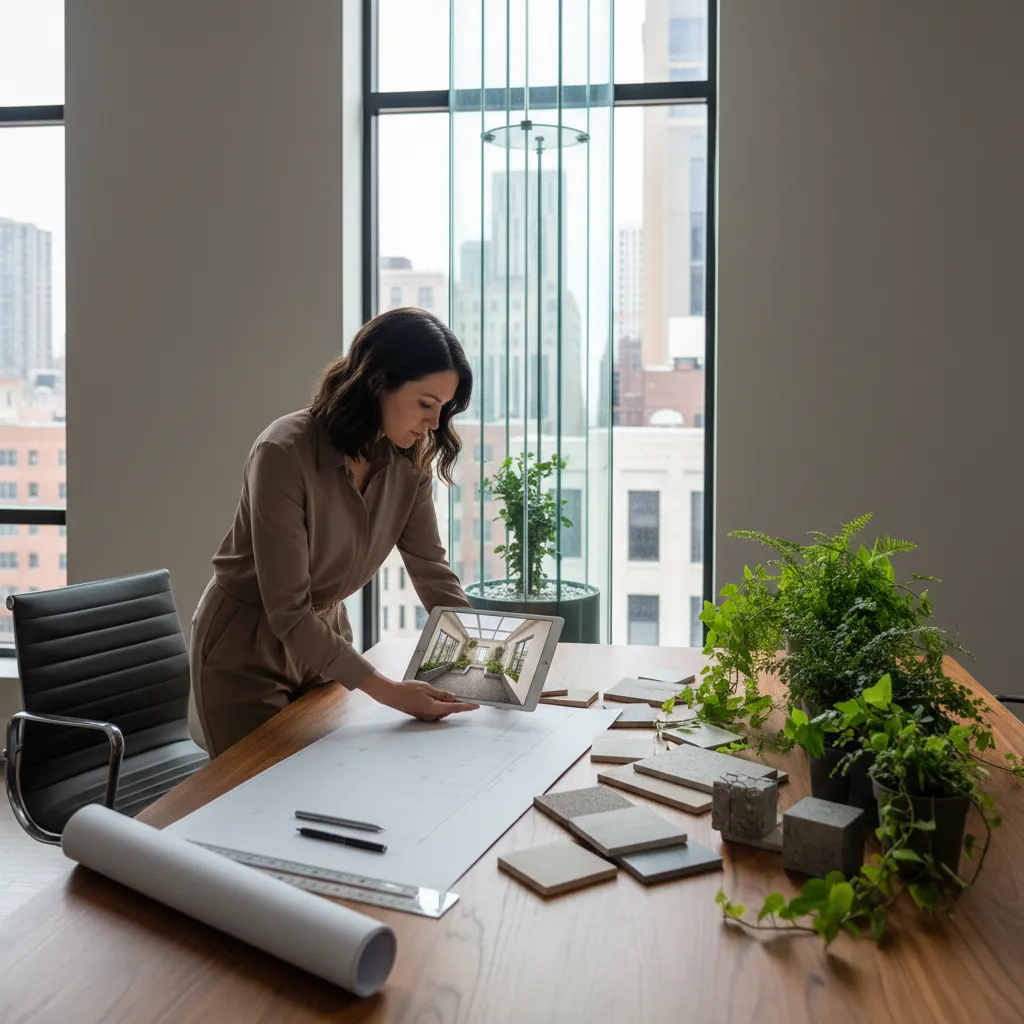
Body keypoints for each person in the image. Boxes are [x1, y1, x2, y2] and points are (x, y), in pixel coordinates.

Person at [191, 308, 480, 757]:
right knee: (254, 803)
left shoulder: (409, 459)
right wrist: (390, 691)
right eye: (426, 404)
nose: (434, 423)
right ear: (378, 381)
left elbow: (431, 570)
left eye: (443, 409)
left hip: (325, 637)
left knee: (324, 787)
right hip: (246, 647)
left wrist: (481, 658)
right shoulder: (283, 452)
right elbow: (287, 610)